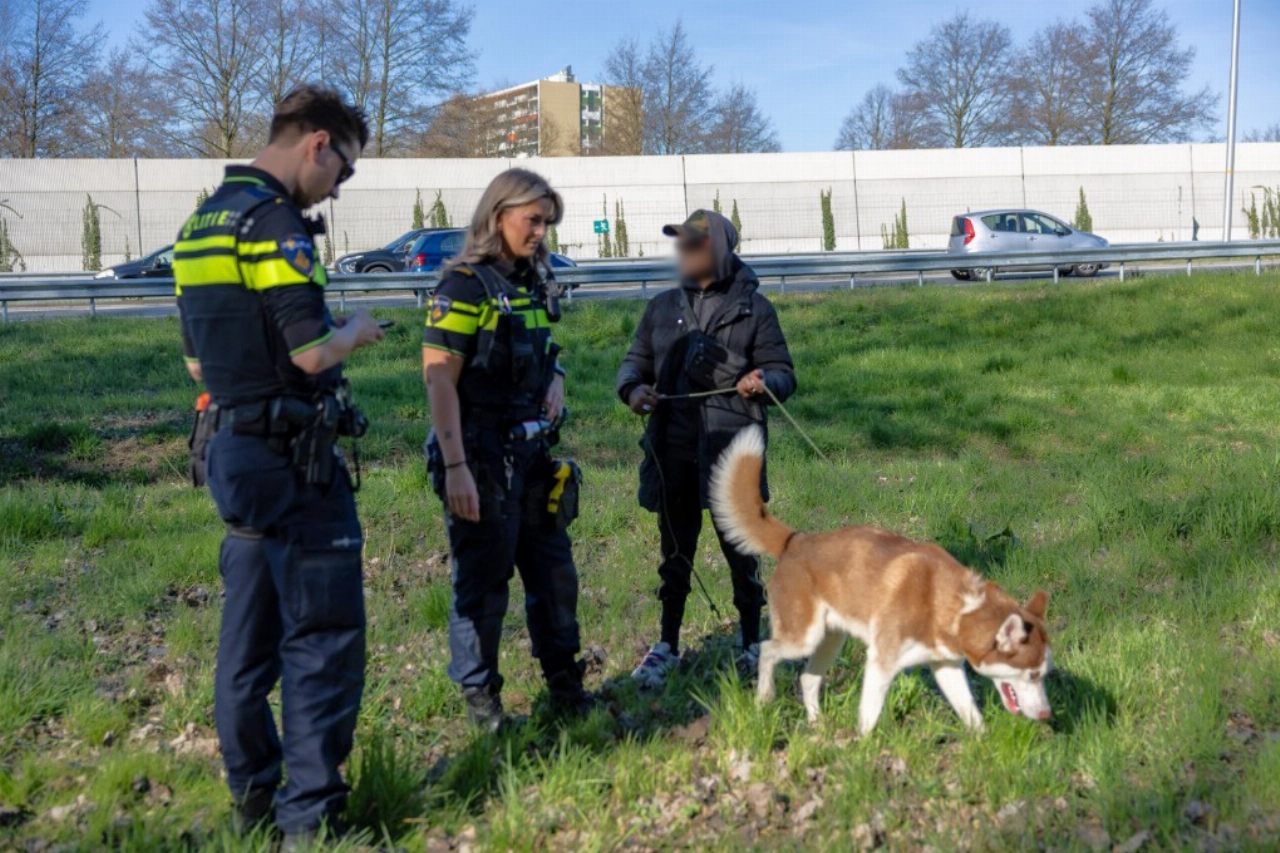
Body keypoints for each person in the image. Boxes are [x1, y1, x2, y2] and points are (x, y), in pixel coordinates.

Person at [174, 85, 385, 848]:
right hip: (292, 458)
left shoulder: (199, 224)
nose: (339, 186)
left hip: (230, 451)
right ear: (316, 144)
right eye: (345, 170)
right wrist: (355, 331)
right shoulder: (273, 225)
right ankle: (312, 819)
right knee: (321, 637)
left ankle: (253, 798)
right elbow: (307, 350)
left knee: (247, 640)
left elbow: (196, 358)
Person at [422, 168, 590, 731]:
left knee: (554, 577)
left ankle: (566, 690)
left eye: (548, 222)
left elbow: (542, 348)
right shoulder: (463, 287)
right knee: (484, 585)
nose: (542, 231)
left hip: (536, 461)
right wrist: (456, 469)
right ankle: (483, 709)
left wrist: (558, 374)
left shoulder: (534, 283)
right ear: (498, 216)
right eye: (533, 220)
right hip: (481, 460)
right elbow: (439, 381)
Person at [616, 209, 796, 689]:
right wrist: (634, 391)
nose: (686, 251)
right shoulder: (661, 308)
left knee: (742, 552)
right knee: (675, 554)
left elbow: (784, 371)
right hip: (672, 448)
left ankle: (751, 642)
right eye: (682, 243)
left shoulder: (754, 310)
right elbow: (634, 364)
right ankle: (668, 645)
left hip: (732, 450)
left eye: (695, 242)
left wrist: (765, 380)